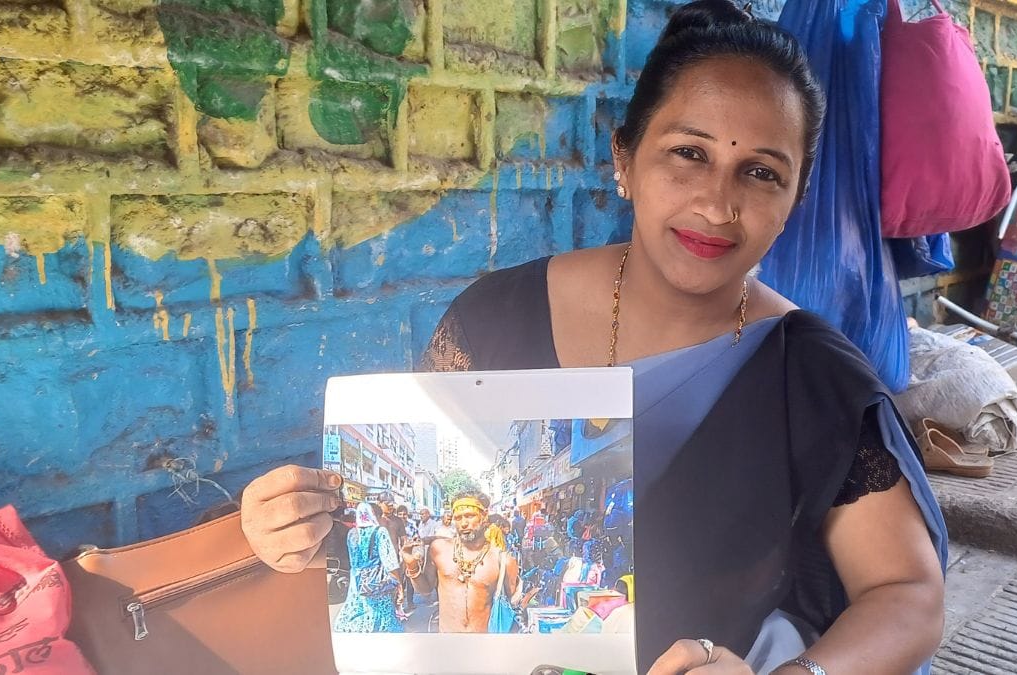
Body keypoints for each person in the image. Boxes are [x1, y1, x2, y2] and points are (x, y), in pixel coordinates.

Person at [240, 2, 945, 673]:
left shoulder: (812, 377)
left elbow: (908, 595)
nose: (718, 203)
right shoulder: (494, 320)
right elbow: (393, 503)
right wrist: (295, 527)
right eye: (688, 154)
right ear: (624, 160)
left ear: (795, 198)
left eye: (761, 172)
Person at [398, 490, 522, 633]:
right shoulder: (439, 550)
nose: (463, 523)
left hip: (484, 646)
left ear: (484, 516)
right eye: (458, 518)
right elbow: (425, 590)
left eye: (470, 516)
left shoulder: (503, 561)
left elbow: (513, 610)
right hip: (447, 644)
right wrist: (412, 566)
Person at [331, 503, 404, 633]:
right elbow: (390, 563)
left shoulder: (352, 533)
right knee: (382, 621)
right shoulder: (380, 532)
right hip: (377, 584)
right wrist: (399, 586)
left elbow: (353, 561)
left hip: (357, 584)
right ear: (374, 516)